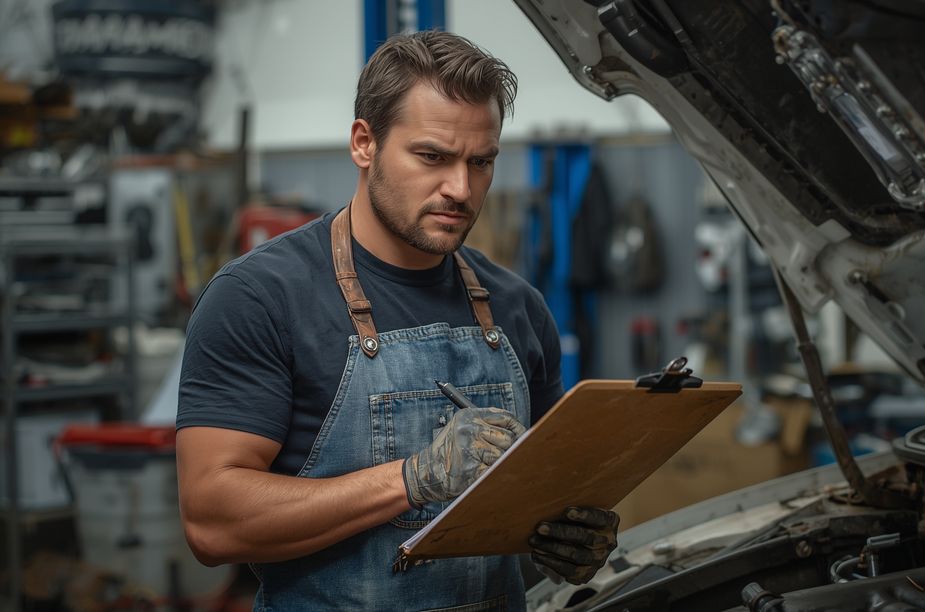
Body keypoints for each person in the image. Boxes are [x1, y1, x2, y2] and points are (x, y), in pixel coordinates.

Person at [176, 30, 619, 610]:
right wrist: (414, 479)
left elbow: (544, 491)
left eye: (480, 163)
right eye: (432, 156)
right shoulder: (260, 299)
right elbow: (212, 523)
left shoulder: (517, 307)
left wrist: (567, 535)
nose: (460, 189)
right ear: (365, 142)